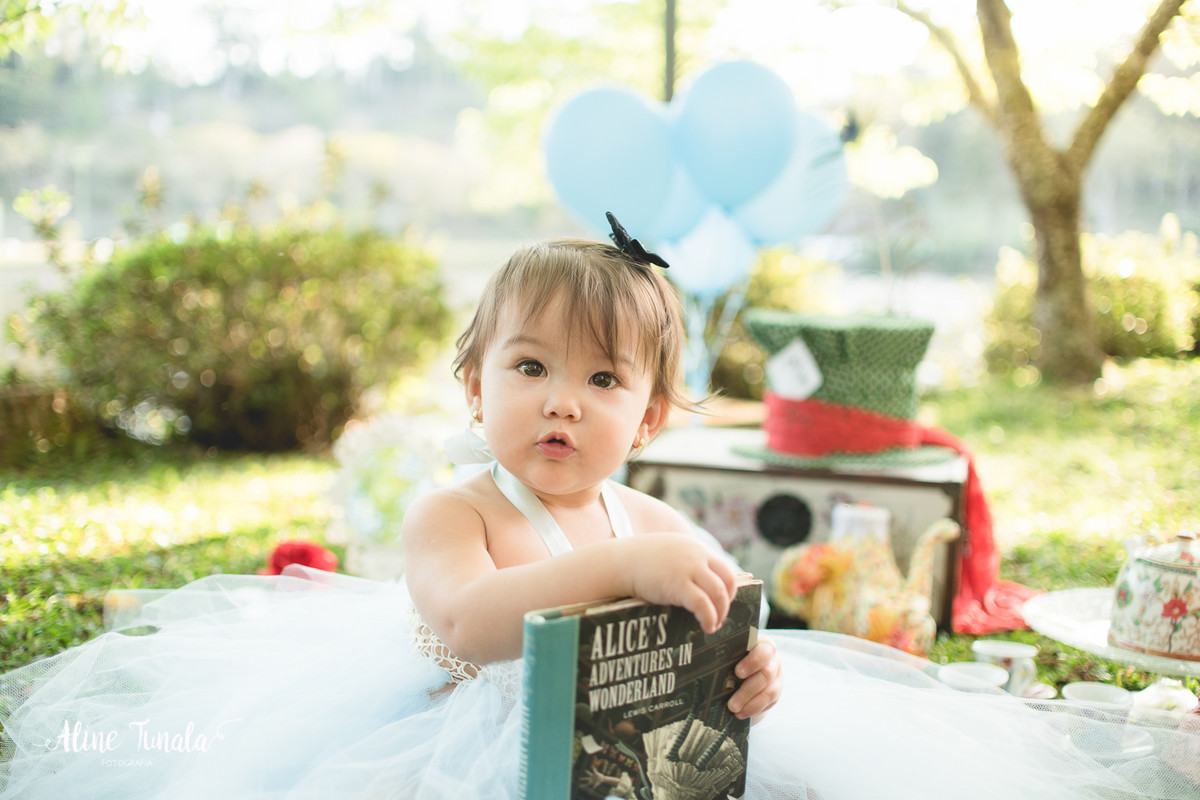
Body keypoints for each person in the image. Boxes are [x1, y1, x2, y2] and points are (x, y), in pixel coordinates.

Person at [1, 219, 1197, 800]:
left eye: (603, 378)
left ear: (655, 417)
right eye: (529, 368)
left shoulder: (656, 522)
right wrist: (618, 575)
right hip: (452, 745)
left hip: (622, 757)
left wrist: (746, 673)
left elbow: (710, 629)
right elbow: (471, 623)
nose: (560, 400)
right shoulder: (454, 512)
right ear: (476, 385)